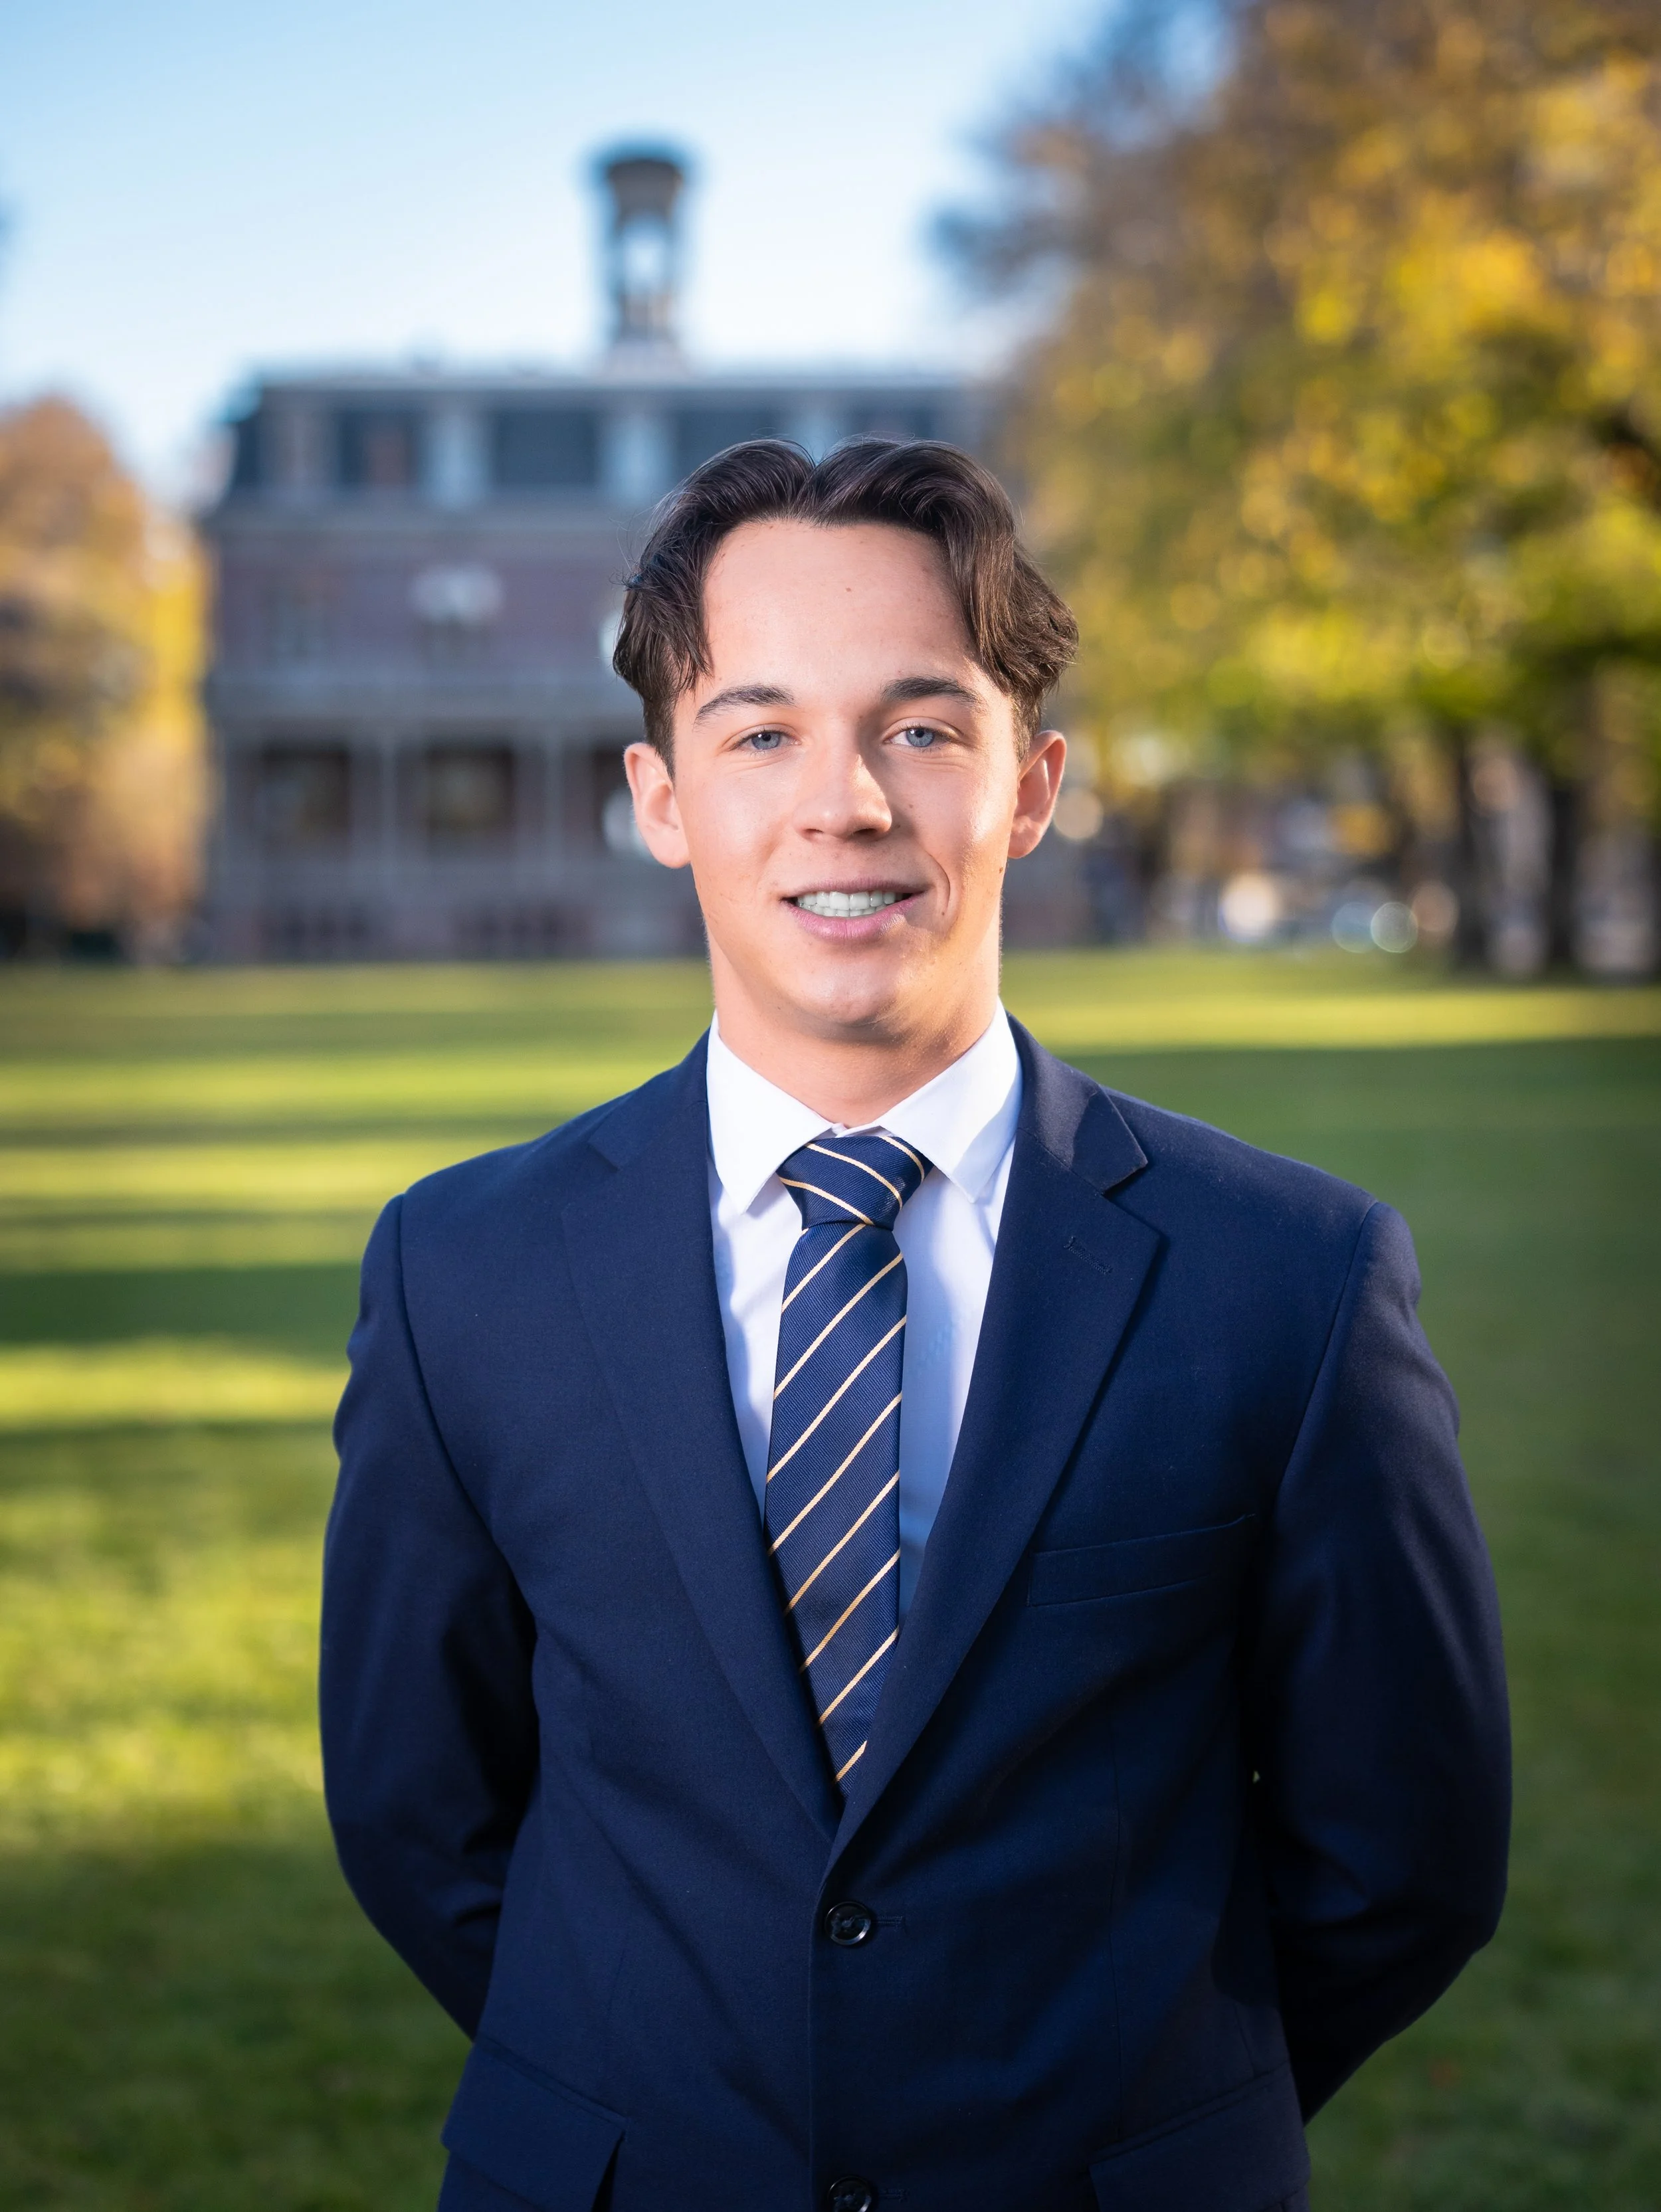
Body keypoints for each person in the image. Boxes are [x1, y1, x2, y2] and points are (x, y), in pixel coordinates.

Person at [321, 439, 1510, 2212]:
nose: (846, 802)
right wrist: (659, 2097)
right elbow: (423, 1815)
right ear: (662, 797)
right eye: (761, 731)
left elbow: (1399, 1853)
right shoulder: (458, 1274)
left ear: (1030, 785)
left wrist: (1147, 2112)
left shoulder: (1290, 1278)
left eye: (920, 726)